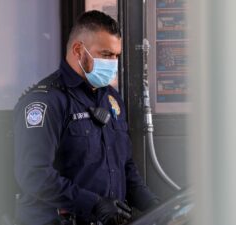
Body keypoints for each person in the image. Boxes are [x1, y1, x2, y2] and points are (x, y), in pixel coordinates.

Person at [13, 10, 159, 225]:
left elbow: (125, 166)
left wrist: (154, 207)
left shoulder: (111, 99)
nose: (113, 63)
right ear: (78, 50)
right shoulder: (46, 102)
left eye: (116, 56)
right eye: (106, 54)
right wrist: (92, 204)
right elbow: (34, 175)